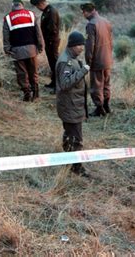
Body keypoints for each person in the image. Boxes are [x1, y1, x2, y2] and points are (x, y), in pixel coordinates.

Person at [56, 31, 90, 176]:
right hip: (70, 106)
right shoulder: (66, 61)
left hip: (72, 105)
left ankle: (68, 160)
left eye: (83, 44)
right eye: (79, 45)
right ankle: (77, 168)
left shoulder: (71, 58)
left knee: (70, 135)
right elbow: (65, 84)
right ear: (72, 45)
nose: (82, 48)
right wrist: (83, 71)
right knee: (76, 138)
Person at [3, 0, 44, 101]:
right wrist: (40, 45)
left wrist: (7, 49)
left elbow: (6, 35)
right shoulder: (31, 14)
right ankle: (35, 94)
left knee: (22, 73)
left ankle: (26, 94)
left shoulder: (8, 18)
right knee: (33, 72)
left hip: (17, 51)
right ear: (22, 5)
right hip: (31, 49)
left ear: (13, 6)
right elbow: (38, 32)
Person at [81, 2, 113, 117]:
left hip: (97, 60)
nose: (83, 15)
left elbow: (90, 46)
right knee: (106, 83)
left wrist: (88, 61)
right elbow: (111, 41)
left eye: (83, 12)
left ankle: (99, 109)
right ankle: (106, 105)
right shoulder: (106, 22)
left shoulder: (91, 24)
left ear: (86, 12)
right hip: (108, 58)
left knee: (96, 85)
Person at [30, 0, 60, 93]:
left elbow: (52, 29)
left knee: (55, 63)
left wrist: (45, 39)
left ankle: (58, 86)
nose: (37, 8)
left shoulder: (51, 11)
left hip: (52, 41)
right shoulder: (46, 11)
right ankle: (54, 82)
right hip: (48, 41)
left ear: (40, 3)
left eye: (37, 6)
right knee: (52, 63)